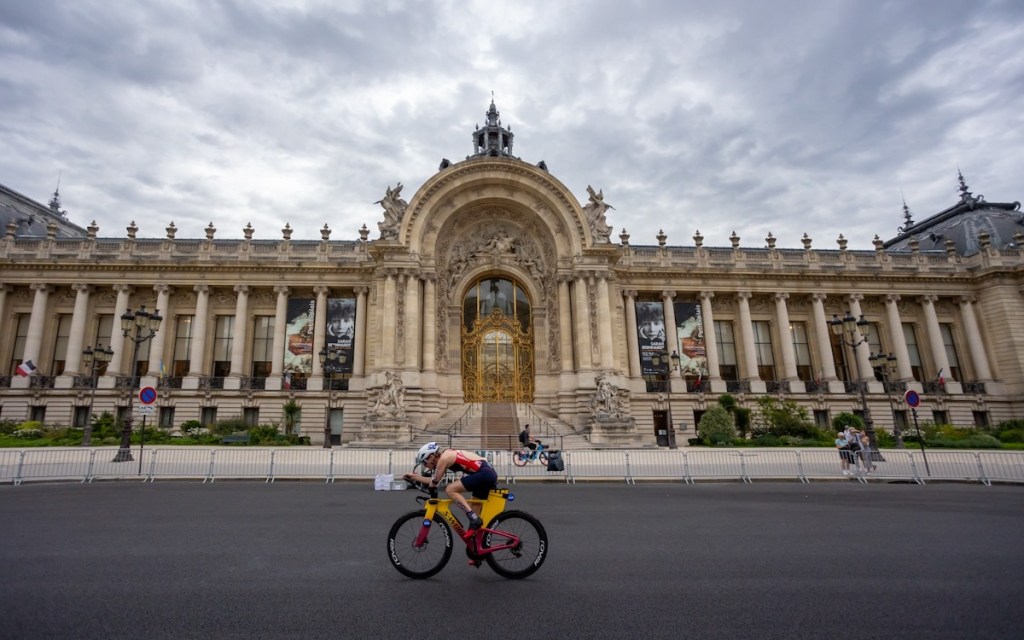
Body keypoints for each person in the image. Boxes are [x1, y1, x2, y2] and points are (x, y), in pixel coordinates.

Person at [404, 442, 498, 530]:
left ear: (431, 456)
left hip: (485, 474)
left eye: (425, 462)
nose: (426, 466)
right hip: (486, 473)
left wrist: (421, 484)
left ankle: (472, 516)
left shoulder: (443, 459)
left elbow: (433, 483)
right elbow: (434, 481)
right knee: (474, 523)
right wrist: (414, 477)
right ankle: (475, 544)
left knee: (450, 490)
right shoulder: (445, 457)